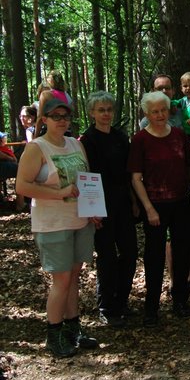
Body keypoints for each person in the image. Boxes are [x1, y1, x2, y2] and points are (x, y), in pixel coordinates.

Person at [16, 98, 98, 357]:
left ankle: (73, 329)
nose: (62, 120)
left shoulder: (75, 144)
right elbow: (23, 187)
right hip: (52, 224)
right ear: (44, 120)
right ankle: (54, 335)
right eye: (55, 116)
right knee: (61, 280)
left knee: (74, 277)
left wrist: (94, 209)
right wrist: (58, 192)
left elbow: (86, 180)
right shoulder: (37, 148)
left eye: (66, 116)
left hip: (79, 220)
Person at [128, 91, 190, 327]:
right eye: (154, 111)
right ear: (146, 113)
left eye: (163, 110)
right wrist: (148, 209)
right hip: (155, 204)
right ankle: (151, 307)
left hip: (181, 202)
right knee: (154, 256)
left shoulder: (178, 135)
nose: (159, 115)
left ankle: (180, 301)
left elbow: (188, 167)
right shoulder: (140, 140)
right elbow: (136, 178)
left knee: (183, 252)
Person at [80, 91, 138, 327]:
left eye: (109, 109)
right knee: (107, 256)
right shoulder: (88, 140)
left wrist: (134, 202)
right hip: (99, 204)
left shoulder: (121, 137)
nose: (106, 114)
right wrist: (91, 210)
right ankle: (107, 306)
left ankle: (122, 300)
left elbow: (129, 174)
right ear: (92, 113)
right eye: (101, 110)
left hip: (123, 201)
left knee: (130, 252)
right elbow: (85, 177)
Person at [35, 70, 73, 138]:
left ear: (50, 81)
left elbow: (40, 118)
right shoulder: (67, 96)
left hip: (50, 132)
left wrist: (35, 136)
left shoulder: (46, 95)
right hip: (66, 132)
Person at [0, 132, 26, 211]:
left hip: (4, 165)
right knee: (21, 171)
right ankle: (20, 204)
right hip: (2, 166)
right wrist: (10, 158)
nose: (5, 140)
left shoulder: (4, 148)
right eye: (3, 138)